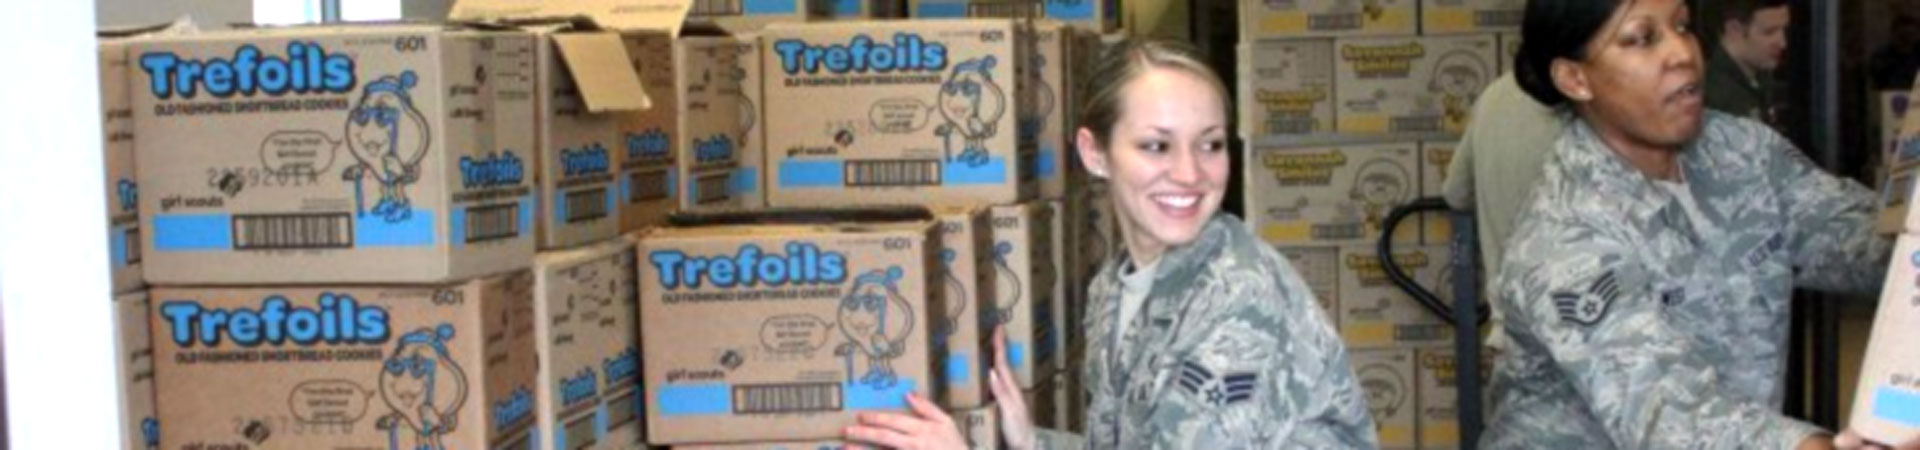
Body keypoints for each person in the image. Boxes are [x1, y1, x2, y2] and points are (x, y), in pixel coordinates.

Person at [839, 39, 1377, 449]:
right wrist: (1030, 440)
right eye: (1156, 146)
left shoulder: (1240, 300)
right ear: (1095, 154)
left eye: (1210, 145)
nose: (1190, 173)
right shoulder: (1112, 291)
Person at [1483, 0, 1901, 449]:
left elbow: (1866, 242)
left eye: (1682, 26)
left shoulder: (1744, 152)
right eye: (1642, 38)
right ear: (1575, 78)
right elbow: (1668, 415)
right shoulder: (1564, 236)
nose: (1682, 53)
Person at [1441, 72, 1567, 331]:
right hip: (1585, 332)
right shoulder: (1597, 102)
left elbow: (1456, 193)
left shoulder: (1493, 95)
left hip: (1513, 331)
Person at [1704, 0, 1790, 125]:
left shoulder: (1760, 76)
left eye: (1784, 30)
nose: (1783, 43)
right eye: (1769, 32)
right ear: (1734, 30)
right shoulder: (1716, 100)